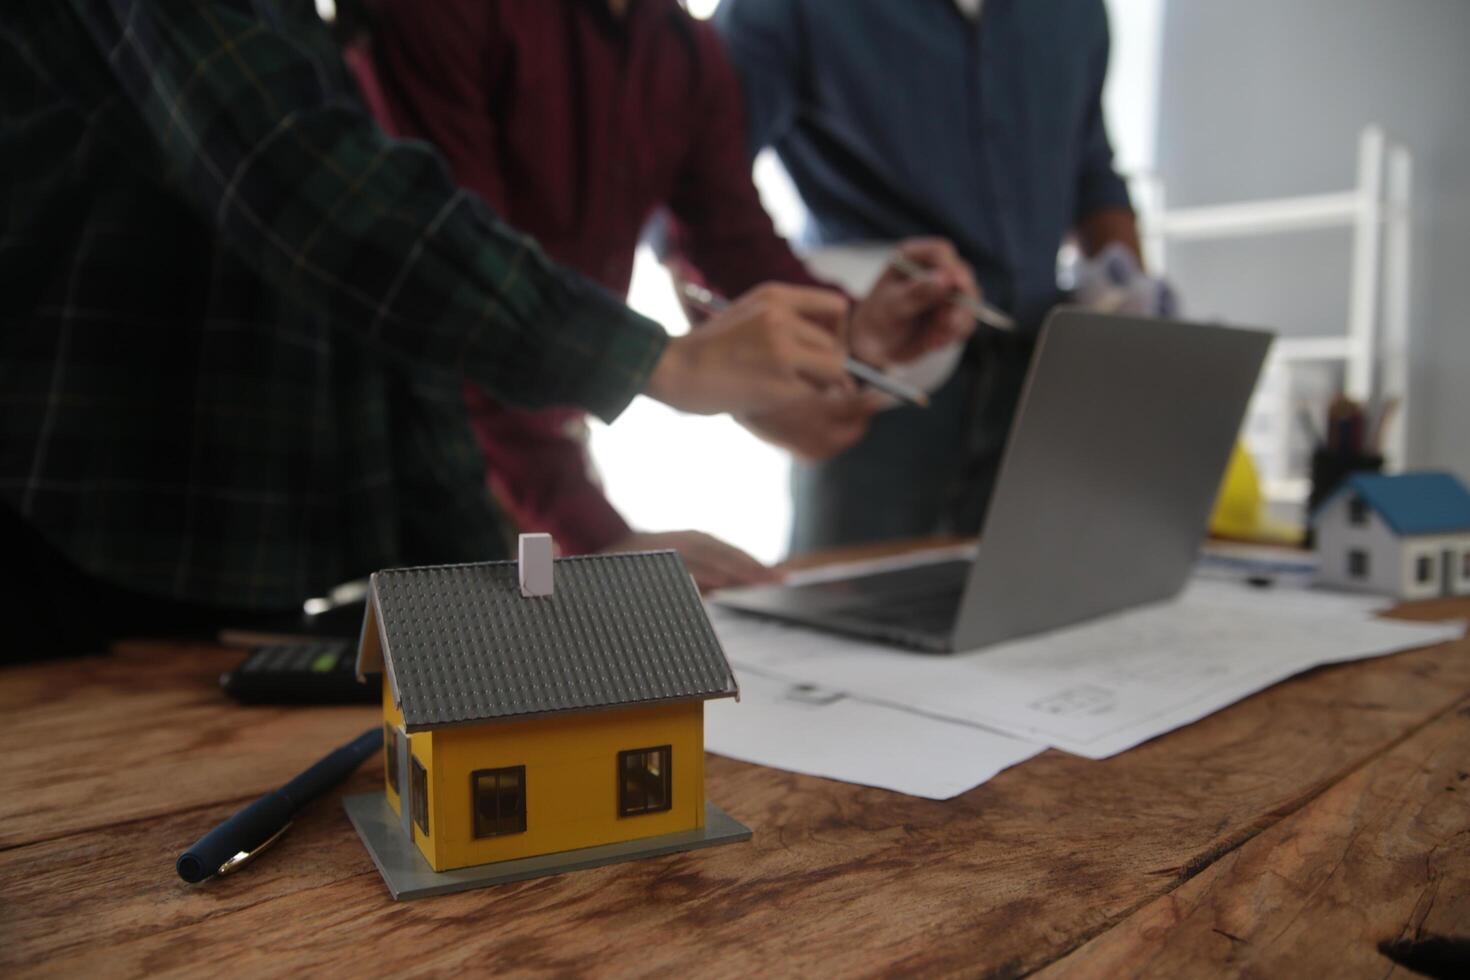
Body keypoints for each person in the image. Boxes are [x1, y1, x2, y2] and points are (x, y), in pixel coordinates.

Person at [0, 0, 859, 659]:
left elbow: (397, 322)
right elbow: (313, 190)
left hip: (227, 550)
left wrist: (511, 581)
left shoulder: (681, 48)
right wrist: (652, 364)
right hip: (74, 527)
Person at [355, 0, 981, 589]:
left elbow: (733, 242)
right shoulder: (452, 12)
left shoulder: (684, 47)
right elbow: (459, 292)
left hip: (531, 462)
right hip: (391, 465)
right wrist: (591, 534)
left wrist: (858, 327)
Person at [715, 0, 1144, 552]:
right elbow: (699, 186)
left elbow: (1093, 173)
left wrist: (1140, 333)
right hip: (882, 379)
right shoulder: (787, 11)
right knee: (852, 615)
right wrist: (754, 394)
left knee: (1035, 614)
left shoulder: (1075, 13)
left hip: (1043, 377)